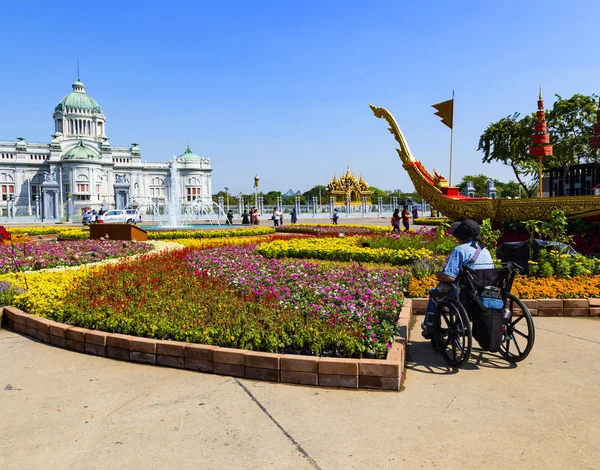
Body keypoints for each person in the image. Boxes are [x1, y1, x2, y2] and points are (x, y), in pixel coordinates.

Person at [422, 219, 495, 339]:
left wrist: (439, 275)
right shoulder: (485, 251)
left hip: (465, 295)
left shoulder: (460, 250)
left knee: (434, 294)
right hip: (485, 293)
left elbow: (450, 276)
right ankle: (461, 326)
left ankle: (430, 328)